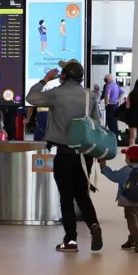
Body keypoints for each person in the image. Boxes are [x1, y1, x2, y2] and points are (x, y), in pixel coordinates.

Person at [26, 59, 104, 253]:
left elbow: (31, 98)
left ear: (63, 75)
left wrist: (45, 79)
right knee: (82, 195)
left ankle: (70, 241)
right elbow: (97, 124)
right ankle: (94, 226)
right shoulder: (89, 96)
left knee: (66, 197)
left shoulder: (56, 94)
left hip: (64, 152)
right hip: (84, 155)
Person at [98, 145, 138, 253]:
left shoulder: (125, 171)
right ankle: (131, 241)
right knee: (135, 223)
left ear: (127, 159)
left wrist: (103, 166)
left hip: (129, 202)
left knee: (131, 223)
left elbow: (113, 176)